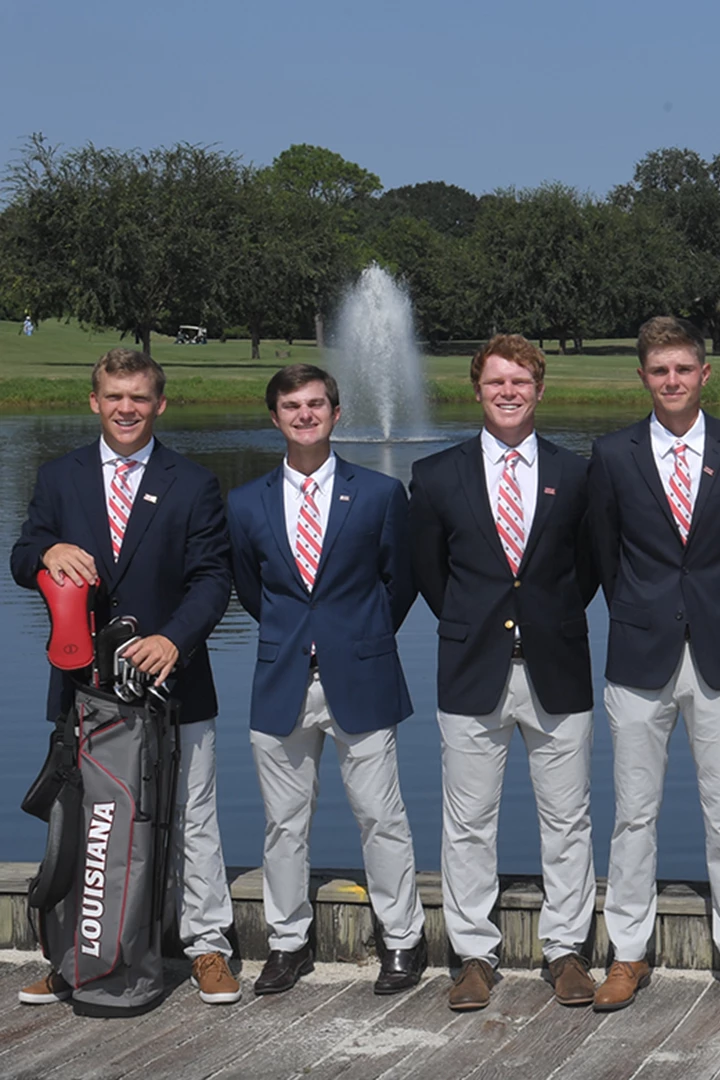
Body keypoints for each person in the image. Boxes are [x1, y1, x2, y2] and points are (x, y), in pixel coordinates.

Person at [11, 348, 240, 1007]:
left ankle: (207, 948)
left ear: (159, 404)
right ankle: (74, 958)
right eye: (115, 396)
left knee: (194, 818)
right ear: (94, 401)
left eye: (139, 397)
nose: (127, 408)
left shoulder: (192, 481)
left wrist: (175, 638)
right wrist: (46, 553)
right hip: (83, 690)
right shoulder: (59, 477)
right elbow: (24, 552)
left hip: (175, 684)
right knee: (85, 824)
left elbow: (213, 578)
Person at [587, 316, 720, 1013]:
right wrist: (643, 611)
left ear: (704, 374)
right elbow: (605, 555)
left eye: (683, 369)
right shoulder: (611, 454)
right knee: (633, 815)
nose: (672, 381)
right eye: (659, 371)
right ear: (643, 377)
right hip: (639, 654)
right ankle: (627, 953)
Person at [410, 335, 601, 1012]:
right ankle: (472, 956)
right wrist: (482, 622)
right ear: (477, 389)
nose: (510, 392)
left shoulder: (578, 475)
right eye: (497, 383)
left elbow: (588, 568)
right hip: (471, 665)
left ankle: (567, 951)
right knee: (466, 822)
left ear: (540, 390)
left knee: (568, 816)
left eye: (521, 381)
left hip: (558, 662)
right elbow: (434, 576)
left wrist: (539, 618)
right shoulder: (435, 476)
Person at [226, 364, 426, 997]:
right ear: (275, 417)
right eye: (291, 405)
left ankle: (402, 940)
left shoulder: (379, 494)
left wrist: (355, 637)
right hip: (281, 676)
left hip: (362, 675)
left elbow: (401, 582)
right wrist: (299, 637)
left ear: (337, 414)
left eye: (316, 404)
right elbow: (250, 589)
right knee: (283, 822)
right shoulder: (245, 501)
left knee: (380, 815)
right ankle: (286, 942)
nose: (304, 414)